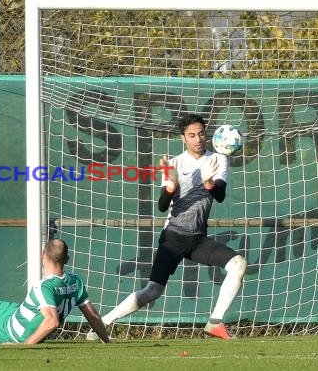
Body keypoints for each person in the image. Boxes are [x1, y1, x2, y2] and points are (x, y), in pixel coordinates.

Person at [90, 113, 247, 340]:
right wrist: (171, 185)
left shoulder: (218, 159)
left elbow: (220, 195)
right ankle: (102, 324)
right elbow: (162, 205)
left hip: (197, 239)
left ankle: (215, 321)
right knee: (152, 291)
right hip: (173, 237)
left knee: (238, 264)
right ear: (183, 138)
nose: (198, 139)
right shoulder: (174, 163)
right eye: (192, 135)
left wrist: (209, 182)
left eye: (201, 133)